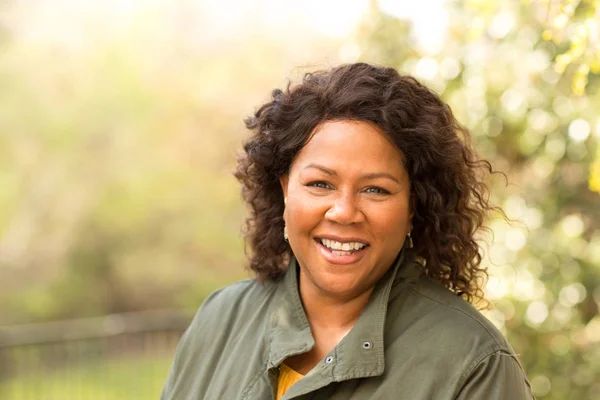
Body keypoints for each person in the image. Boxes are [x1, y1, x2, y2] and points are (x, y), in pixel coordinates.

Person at [161, 63, 533, 399]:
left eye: (376, 189)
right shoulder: (220, 319)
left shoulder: (474, 365)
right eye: (321, 184)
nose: (344, 212)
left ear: (413, 208)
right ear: (284, 190)